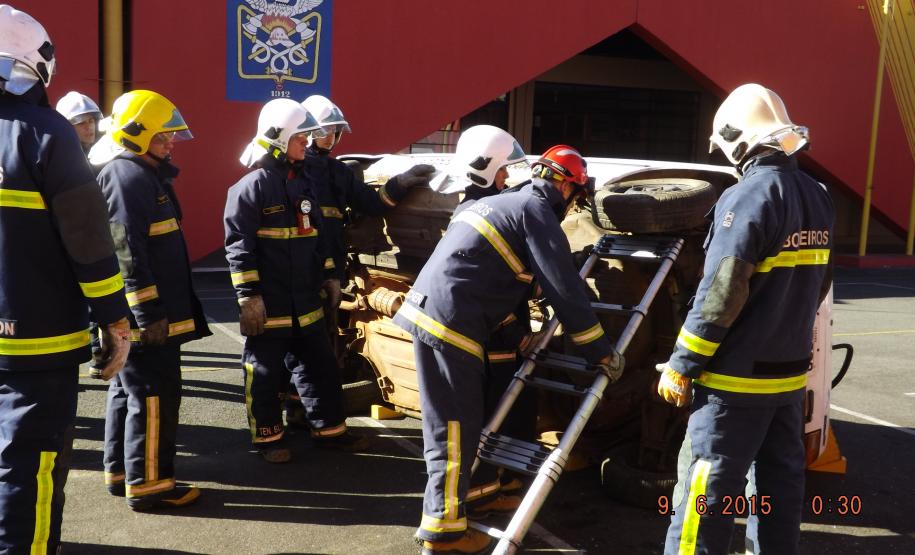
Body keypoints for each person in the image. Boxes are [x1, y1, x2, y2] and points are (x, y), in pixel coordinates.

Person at [394, 129, 622, 554]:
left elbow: (499, 278)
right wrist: (601, 352)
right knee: (454, 429)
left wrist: (523, 326)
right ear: (566, 186)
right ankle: (443, 534)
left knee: (468, 421)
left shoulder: (507, 203)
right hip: (452, 323)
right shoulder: (536, 210)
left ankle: (476, 498)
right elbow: (565, 292)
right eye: (576, 194)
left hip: (444, 315)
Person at [657, 83, 834, 555]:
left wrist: (682, 364)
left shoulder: (747, 197)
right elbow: (820, 284)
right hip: (788, 380)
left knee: (706, 494)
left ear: (737, 139)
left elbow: (721, 293)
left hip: (733, 386)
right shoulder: (818, 196)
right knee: (779, 490)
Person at [0, 4, 131, 551]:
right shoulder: (46, 133)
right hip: (36, 344)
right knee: (27, 466)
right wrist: (115, 319)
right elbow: (89, 242)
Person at [226, 99, 407, 463]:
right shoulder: (250, 188)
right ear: (278, 139)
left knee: (320, 366)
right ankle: (268, 439)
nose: (306, 143)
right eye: (299, 138)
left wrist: (329, 277)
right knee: (264, 372)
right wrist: (249, 297)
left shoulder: (303, 185)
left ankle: (329, 431)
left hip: (307, 299)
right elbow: (239, 249)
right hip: (271, 302)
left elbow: (318, 238)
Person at [91, 89, 211, 511]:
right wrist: (146, 312)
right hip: (146, 319)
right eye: (162, 135)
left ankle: (122, 474)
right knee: (154, 396)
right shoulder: (128, 177)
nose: (170, 141)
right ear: (135, 134)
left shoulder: (139, 174)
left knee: (128, 394)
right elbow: (126, 250)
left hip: (143, 316)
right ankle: (150, 485)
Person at [283, 94, 435, 426]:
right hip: (300, 271)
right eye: (326, 131)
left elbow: (372, 203)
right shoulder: (291, 172)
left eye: (335, 132)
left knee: (320, 344)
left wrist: (402, 183)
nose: (331, 138)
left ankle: (305, 411)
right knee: (300, 345)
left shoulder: (339, 172)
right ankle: (300, 411)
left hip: (329, 271)